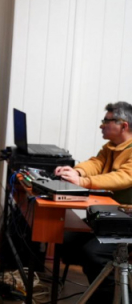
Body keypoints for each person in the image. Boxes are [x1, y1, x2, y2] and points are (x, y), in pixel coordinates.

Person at [56, 101, 132, 303]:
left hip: (128, 218)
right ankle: (101, 290)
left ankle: (106, 298)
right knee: (67, 242)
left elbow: (123, 177)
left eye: (106, 121)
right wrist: (77, 171)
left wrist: (83, 182)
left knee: (93, 253)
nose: (101, 125)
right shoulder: (112, 147)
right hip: (114, 215)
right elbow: (96, 163)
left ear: (123, 125)